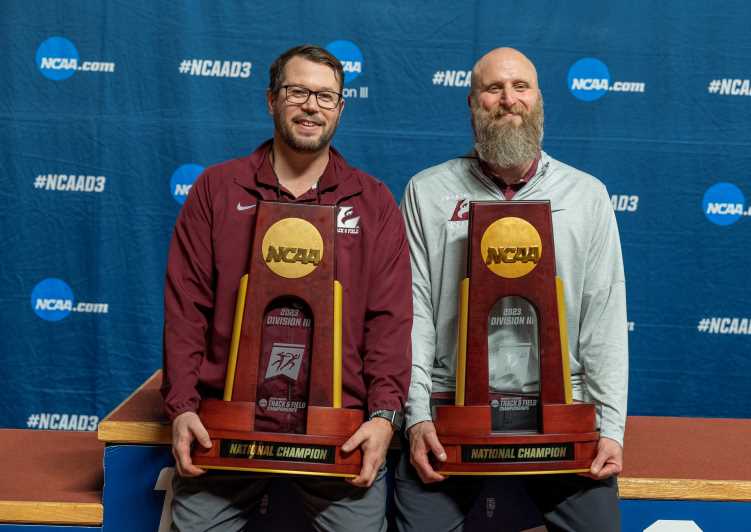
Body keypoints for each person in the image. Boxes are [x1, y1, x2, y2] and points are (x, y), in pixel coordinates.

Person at [161, 44, 411, 531]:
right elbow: (186, 307)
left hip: (337, 429)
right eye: (298, 92)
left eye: (326, 96)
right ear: (271, 100)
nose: (312, 105)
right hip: (225, 428)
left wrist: (383, 418)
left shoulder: (374, 201)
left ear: (340, 108)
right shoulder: (218, 189)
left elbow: (388, 319)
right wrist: (182, 408)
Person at [394, 47, 628, 532]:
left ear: (539, 100)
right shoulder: (427, 192)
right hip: (451, 413)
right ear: (472, 103)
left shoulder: (587, 196)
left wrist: (611, 428)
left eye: (521, 87)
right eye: (493, 88)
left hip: (562, 413)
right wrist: (417, 420)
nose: (508, 100)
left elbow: (603, 321)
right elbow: (412, 317)